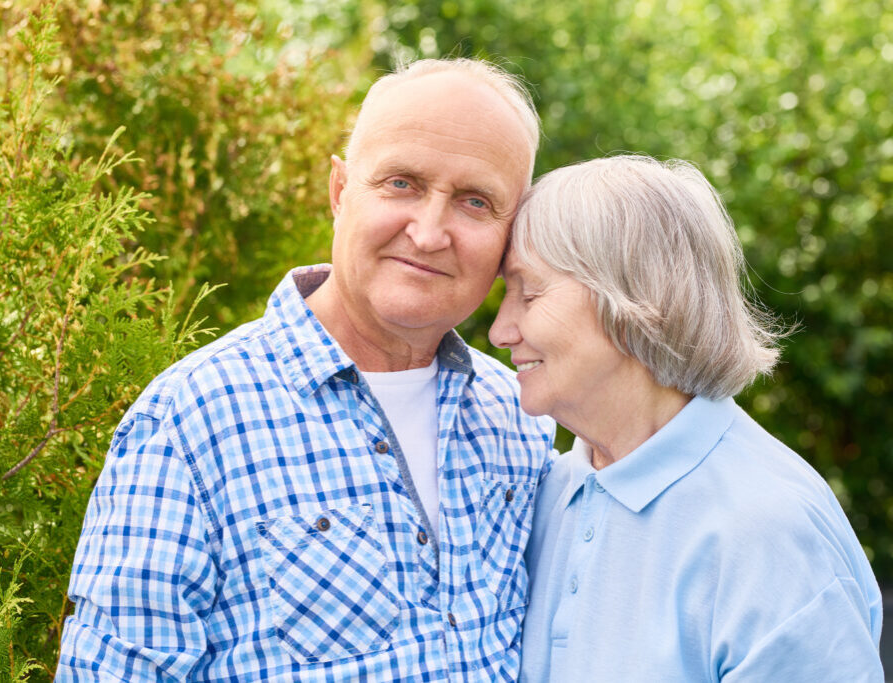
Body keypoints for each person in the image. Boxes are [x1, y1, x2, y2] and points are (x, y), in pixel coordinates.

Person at [56, 58, 556, 681]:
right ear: (340, 192)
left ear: (512, 233)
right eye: (401, 183)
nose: (429, 233)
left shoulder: (523, 417)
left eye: (475, 201)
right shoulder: (190, 423)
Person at [489, 155, 884, 681]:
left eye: (530, 292)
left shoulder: (768, 533)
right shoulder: (550, 492)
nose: (499, 330)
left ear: (634, 299)